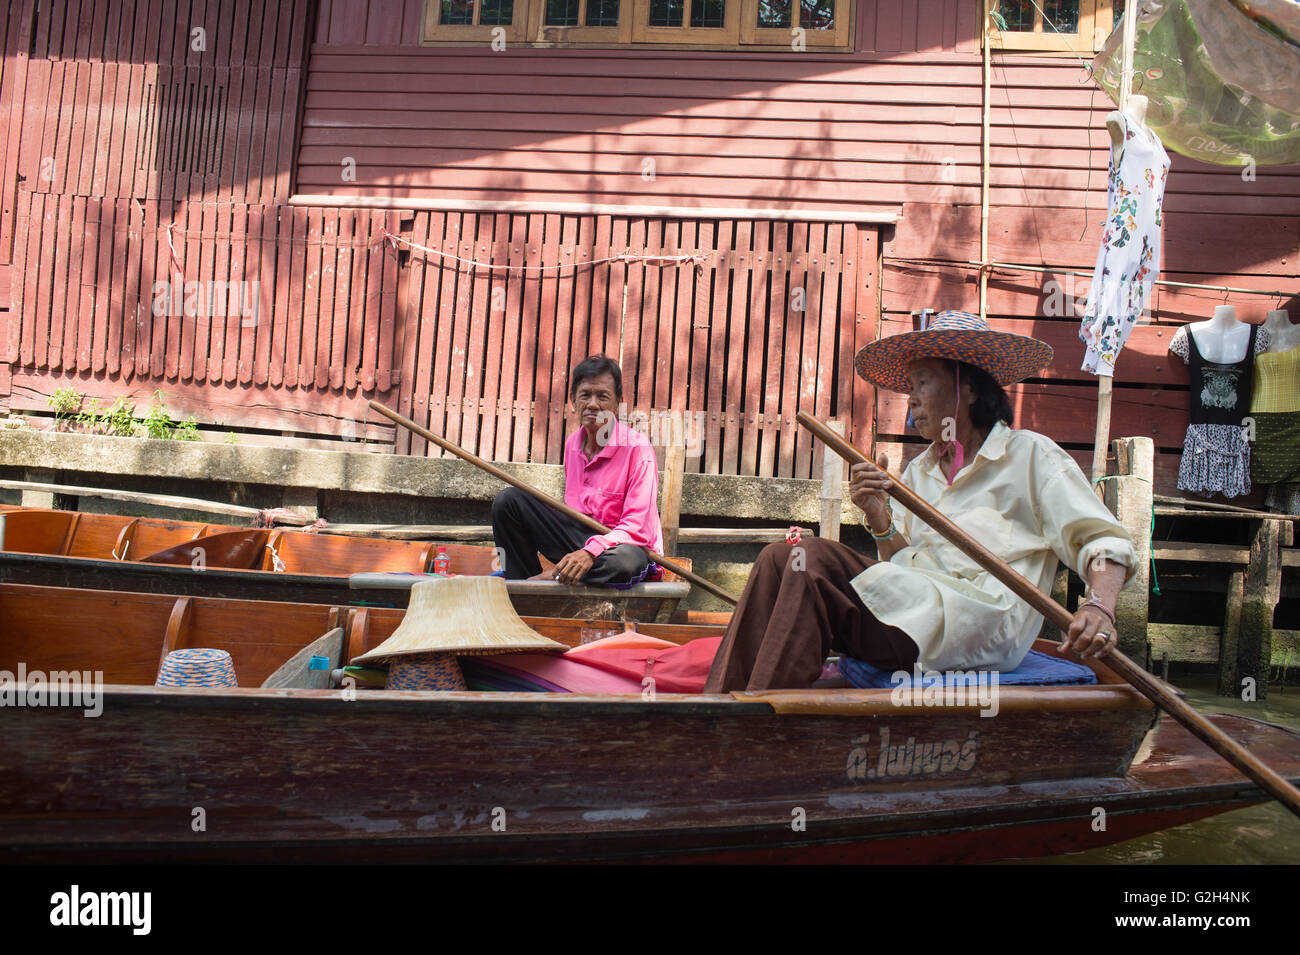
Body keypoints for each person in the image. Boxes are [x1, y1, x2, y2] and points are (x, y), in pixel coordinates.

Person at [705, 310, 1138, 693]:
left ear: (967, 389)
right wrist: (879, 517)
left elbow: (1102, 542)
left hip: (980, 624)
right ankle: (718, 704)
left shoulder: (1030, 456)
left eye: (923, 383)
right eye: (909, 387)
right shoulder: (920, 472)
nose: (910, 400)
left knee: (812, 560)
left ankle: (757, 720)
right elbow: (901, 562)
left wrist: (1100, 606)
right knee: (781, 558)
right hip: (916, 610)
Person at [491, 355, 665, 586]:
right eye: (585, 395)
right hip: (583, 542)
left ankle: (552, 577)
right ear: (573, 400)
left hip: (624, 547)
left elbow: (637, 527)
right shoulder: (573, 444)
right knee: (508, 501)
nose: (593, 404)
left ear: (617, 403)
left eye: (602, 396)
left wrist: (591, 552)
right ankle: (524, 585)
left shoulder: (637, 449)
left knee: (624, 562)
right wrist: (584, 550)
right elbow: (574, 517)